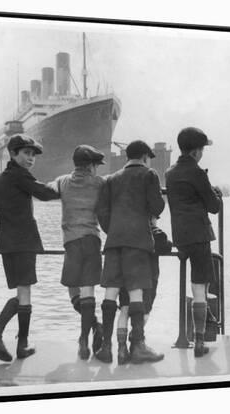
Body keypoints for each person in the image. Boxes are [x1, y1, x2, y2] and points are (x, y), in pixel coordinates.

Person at [0, 134, 59, 362]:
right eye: (26, 153)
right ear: (13, 154)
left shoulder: (2, 178)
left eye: (33, 154)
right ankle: (12, 339)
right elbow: (46, 194)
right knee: (25, 291)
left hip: (7, 242)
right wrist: (63, 183)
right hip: (24, 241)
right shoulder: (20, 175)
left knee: (21, 291)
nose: (31, 158)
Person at [95, 140, 165, 364]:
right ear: (145, 156)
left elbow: (102, 213)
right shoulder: (150, 175)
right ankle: (138, 346)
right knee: (136, 293)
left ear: (127, 156)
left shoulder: (111, 179)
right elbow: (157, 207)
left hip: (114, 242)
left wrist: (114, 231)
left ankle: (106, 348)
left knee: (111, 293)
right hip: (139, 243)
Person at [165, 127, 222, 357]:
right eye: (202, 149)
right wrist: (215, 193)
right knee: (200, 288)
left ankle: (186, 336)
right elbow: (214, 207)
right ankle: (199, 341)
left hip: (180, 237)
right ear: (196, 151)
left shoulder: (169, 173)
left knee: (193, 286)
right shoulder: (198, 173)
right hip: (199, 237)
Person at [51, 145, 105, 360]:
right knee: (88, 290)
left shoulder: (63, 181)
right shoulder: (100, 183)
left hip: (71, 242)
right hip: (92, 240)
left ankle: (93, 327)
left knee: (73, 290)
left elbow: (46, 189)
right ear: (91, 166)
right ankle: (86, 338)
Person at [117, 219, 172, 364]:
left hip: (125, 274)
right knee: (145, 311)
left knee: (124, 309)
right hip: (148, 279)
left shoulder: (128, 229)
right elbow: (165, 247)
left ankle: (121, 351)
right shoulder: (156, 233)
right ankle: (135, 339)